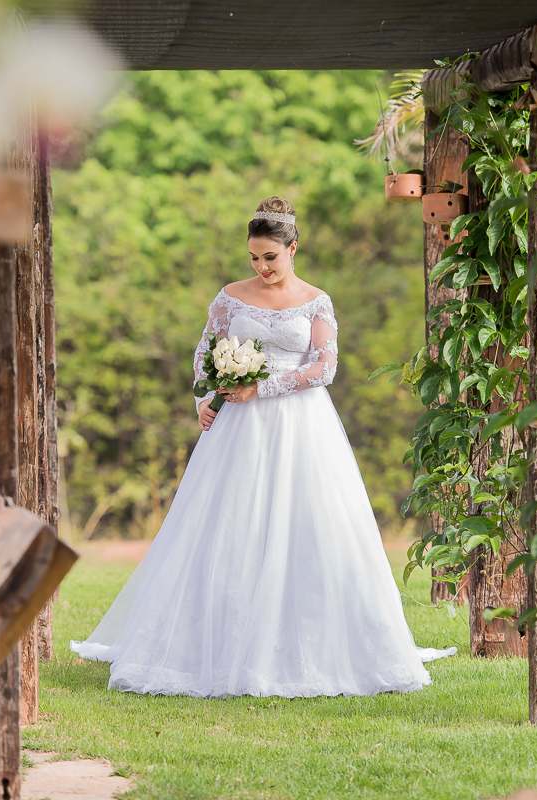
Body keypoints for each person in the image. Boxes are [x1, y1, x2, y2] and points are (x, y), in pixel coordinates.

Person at [70, 196, 455, 697]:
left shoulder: (317, 300)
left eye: (270, 257)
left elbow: (324, 367)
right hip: (237, 428)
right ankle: (208, 641)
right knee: (228, 523)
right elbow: (204, 355)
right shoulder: (230, 297)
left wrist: (263, 387)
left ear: (293, 249)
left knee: (310, 523)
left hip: (300, 425)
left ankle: (312, 643)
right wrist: (205, 398)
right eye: (254, 258)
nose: (261, 267)